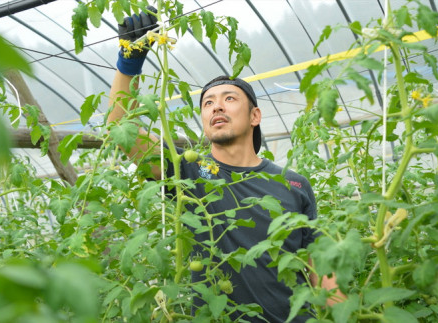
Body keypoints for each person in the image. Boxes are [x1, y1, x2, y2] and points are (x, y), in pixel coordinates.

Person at [107, 7, 345, 322]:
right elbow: (120, 129)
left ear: (255, 116)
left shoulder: (295, 185)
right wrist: (129, 63)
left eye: (230, 98)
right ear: (204, 121)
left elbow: (322, 273)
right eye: (208, 102)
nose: (217, 105)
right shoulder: (187, 174)